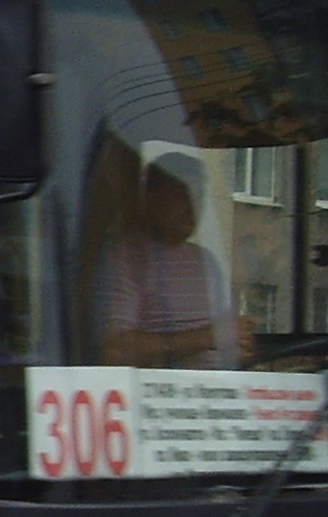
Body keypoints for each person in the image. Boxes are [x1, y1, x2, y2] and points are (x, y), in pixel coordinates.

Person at [98, 155, 255, 369]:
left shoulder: (205, 261)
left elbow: (225, 340)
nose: (193, 205)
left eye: (199, 194)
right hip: (159, 396)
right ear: (149, 197)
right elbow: (114, 350)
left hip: (219, 392)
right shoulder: (125, 258)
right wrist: (207, 337)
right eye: (181, 194)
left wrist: (239, 347)